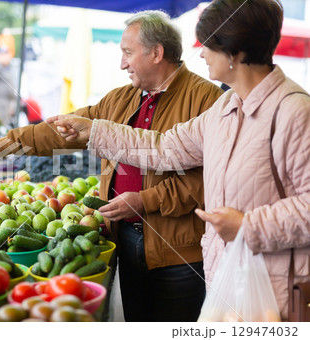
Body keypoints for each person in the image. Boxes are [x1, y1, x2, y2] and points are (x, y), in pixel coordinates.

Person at [47, 0, 310, 321]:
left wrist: (246, 226)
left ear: (235, 51)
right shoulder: (227, 105)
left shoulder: (295, 112)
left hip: (275, 291)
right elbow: (166, 147)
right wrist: (96, 131)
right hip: (226, 280)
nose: (200, 54)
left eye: (208, 45)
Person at [0, 10, 223, 321]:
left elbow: (207, 182)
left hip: (178, 252)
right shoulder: (119, 99)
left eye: (127, 53)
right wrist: (4, 145)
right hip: (124, 238)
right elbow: (62, 131)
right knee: (136, 322)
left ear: (157, 53)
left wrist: (144, 201)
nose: (122, 63)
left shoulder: (207, 100)